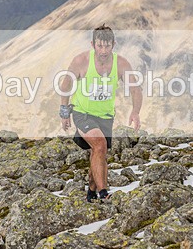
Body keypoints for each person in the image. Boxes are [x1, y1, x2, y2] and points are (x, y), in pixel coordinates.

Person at [59, 25, 142, 202]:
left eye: (107, 46)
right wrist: (64, 112)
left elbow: (136, 90)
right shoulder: (81, 61)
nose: (103, 50)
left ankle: (91, 192)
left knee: (98, 153)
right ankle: (104, 193)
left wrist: (135, 112)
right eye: (100, 46)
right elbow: (65, 85)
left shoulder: (121, 64)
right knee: (100, 144)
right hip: (82, 112)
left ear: (113, 44)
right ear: (93, 45)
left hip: (105, 116)